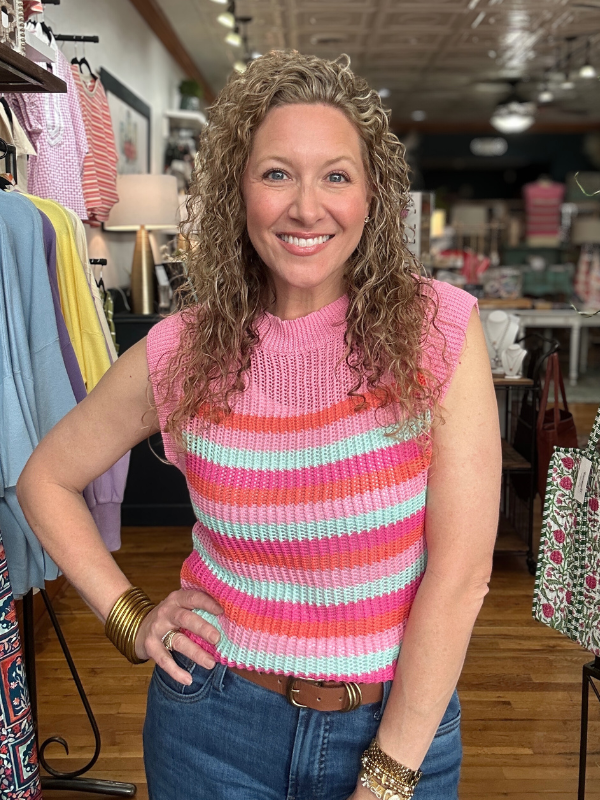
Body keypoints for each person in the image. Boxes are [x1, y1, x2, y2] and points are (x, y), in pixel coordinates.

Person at [17, 50, 502, 800]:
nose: (307, 207)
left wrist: (388, 774)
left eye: (336, 175)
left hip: (398, 731)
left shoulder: (437, 328)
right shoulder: (181, 349)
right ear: (237, 192)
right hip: (212, 729)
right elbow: (45, 477)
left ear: (372, 196)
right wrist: (128, 616)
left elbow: (462, 575)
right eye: (277, 173)